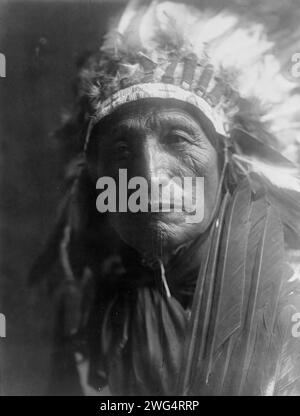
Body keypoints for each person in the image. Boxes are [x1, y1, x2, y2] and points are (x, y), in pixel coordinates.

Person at [31, 0, 300, 395]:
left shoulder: (292, 294)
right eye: (122, 151)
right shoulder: (88, 313)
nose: (150, 176)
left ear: (226, 163)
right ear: (100, 179)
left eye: (177, 138)